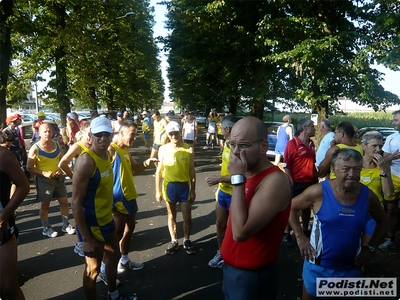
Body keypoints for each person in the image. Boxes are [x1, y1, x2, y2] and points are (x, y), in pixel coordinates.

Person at [289, 148, 388, 300]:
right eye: (346, 169)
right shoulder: (319, 192)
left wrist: (370, 248)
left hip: (350, 269)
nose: (352, 174)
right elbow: (290, 207)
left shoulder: (367, 196)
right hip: (317, 267)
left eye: (356, 169)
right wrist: (300, 237)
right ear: (334, 169)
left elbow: (383, 221)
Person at [220, 116, 291, 299]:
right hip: (232, 271)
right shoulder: (248, 174)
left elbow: (240, 232)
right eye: (232, 144)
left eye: (243, 145)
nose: (236, 152)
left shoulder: (275, 180)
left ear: (264, 147)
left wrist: (237, 179)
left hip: (251, 277)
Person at [71, 117, 136, 300]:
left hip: (107, 219)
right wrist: (86, 239)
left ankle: (113, 295)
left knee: (114, 258)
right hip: (92, 225)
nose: (103, 138)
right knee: (92, 270)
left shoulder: (106, 155)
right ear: (90, 135)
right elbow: (75, 203)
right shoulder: (86, 162)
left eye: (106, 134)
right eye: (98, 135)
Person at [96, 120, 157, 284]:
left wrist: (147, 162)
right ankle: (103, 270)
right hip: (118, 199)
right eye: (132, 134)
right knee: (114, 235)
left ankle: (124, 259)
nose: (135, 137)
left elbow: (136, 168)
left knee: (130, 229)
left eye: (136, 134)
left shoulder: (125, 151)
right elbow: (99, 170)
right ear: (121, 133)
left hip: (130, 197)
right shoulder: (111, 149)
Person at [27, 123, 76, 238]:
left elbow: (61, 161)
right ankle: (46, 227)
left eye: (49, 131)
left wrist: (60, 170)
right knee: (45, 205)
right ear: (39, 133)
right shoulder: (35, 148)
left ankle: (65, 225)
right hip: (44, 181)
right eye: (45, 131)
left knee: (64, 202)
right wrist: (44, 173)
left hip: (58, 179)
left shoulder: (56, 144)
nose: (48, 133)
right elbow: (29, 167)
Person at [155, 121, 196, 255]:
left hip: (184, 186)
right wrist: (158, 191)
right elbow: (159, 172)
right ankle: (174, 240)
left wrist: (193, 189)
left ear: (180, 133)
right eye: (171, 133)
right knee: (171, 216)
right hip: (169, 186)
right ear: (167, 134)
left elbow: (192, 171)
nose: (174, 136)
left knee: (187, 217)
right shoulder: (163, 149)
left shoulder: (188, 148)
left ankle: (186, 239)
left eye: (176, 133)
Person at [205, 114, 239, 268]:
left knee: (235, 228)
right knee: (220, 224)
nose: (219, 130)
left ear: (227, 128)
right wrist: (220, 186)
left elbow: (241, 177)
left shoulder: (238, 148)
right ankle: (221, 252)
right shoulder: (226, 144)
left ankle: (231, 257)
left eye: (221, 127)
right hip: (223, 192)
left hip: (236, 193)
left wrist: (219, 179)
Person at [0, 143, 30, 300]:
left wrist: (4, 214)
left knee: (9, 287)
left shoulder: (3, 155)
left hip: (2, 229)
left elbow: (23, 186)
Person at [58, 121, 92, 257]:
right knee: (81, 213)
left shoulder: (94, 145)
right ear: (83, 133)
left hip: (93, 184)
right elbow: (63, 163)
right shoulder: (78, 146)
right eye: (89, 133)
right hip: (82, 186)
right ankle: (79, 243)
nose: (91, 136)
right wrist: (74, 178)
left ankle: (88, 238)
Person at [283, 118, 318, 247]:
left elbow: (312, 162)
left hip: (310, 181)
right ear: (305, 128)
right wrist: (290, 180)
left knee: (306, 207)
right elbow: (286, 165)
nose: (314, 129)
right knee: (291, 208)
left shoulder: (311, 143)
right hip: (296, 182)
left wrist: (315, 175)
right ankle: (286, 233)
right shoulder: (292, 144)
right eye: (312, 126)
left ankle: (304, 229)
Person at [360, 131, 394, 248]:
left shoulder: (384, 165)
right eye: (374, 146)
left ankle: (361, 266)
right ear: (363, 146)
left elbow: (388, 192)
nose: (378, 149)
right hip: (356, 210)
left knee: (367, 246)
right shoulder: (356, 164)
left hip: (375, 212)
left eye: (380, 146)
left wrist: (383, 171)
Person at [380, 110, 400, 250]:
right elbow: (383, 159)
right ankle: (390, 238)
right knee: (391, 209)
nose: (393, 122)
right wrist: (390, 158)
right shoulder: (391, 138)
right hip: (393, 177)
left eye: (396, 120)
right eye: (393, 120)